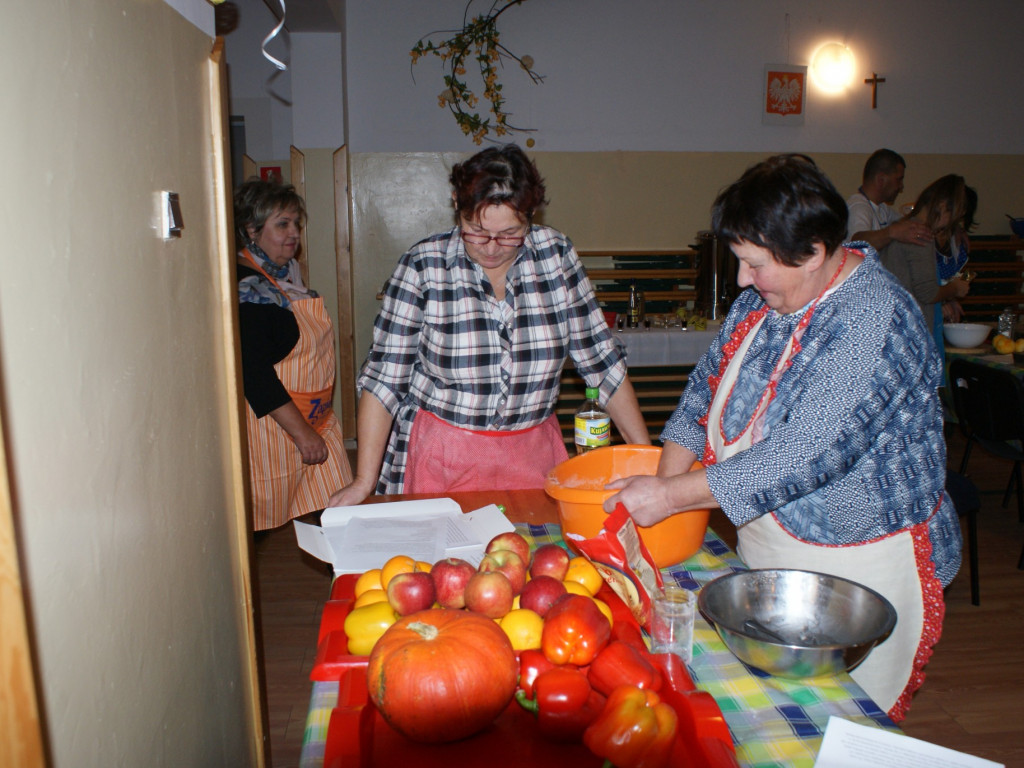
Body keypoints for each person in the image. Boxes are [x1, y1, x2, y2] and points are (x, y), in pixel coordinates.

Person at [604, 155, 961, 722]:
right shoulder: (761, 302)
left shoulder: (875, 318)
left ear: (814, 252)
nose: (743, 279)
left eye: (754, 264)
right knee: (776, 714)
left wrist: (668, 499)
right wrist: (662, 505)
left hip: (863, 566)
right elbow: (699, 401)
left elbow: (803, 454)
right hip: (772, 551)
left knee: (839, 725)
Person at [329, 144, 648, 506]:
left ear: (531, 215)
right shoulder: (423, 266)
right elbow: (385, 379)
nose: (493, 247)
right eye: (477, 231)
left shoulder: (556, 256)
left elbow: (602, 363)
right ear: (456, 206)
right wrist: (362, 481)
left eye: (511, 233)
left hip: (532, 457)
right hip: (443, 458)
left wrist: (645, 460)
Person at [234, 179, 353, 530]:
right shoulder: (247, 288)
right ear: (251, 231)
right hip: (275, 428)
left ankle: (349, 580)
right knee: (257, 525)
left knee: (339, 510)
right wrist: (301, 434)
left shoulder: (288, 275)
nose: (293, 233)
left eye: (296, 224)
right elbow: (253, 374)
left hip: (318, 416)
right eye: (282, 224)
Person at [881, 175, 971, 342]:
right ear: (943, 206)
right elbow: (927, 292)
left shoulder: (903, 227)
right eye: (953, 217)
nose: (948, 226)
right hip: (909, 333)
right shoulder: (920, 234)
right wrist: (955, 288)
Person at [846, 149, 933, 251]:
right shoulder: (858, 207)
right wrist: (891, 233)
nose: (901, 187)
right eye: (899, 179)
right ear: (881, 180)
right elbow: (856, 243)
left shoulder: (882, 208)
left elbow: (905, 224)